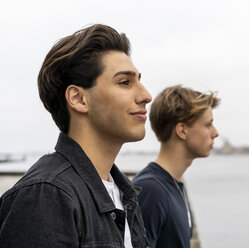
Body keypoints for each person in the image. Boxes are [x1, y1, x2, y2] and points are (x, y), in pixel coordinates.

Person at [0, 24, 151, 248]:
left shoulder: (124, 193)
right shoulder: (47, 196)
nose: (146, 95)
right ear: (78, 99)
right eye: (124, 82)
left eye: (139, 80)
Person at [132, 85, 220, 248]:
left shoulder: (173, 183)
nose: (215, 133)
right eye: (208, 125)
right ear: (182, 130)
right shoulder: (151, 190)